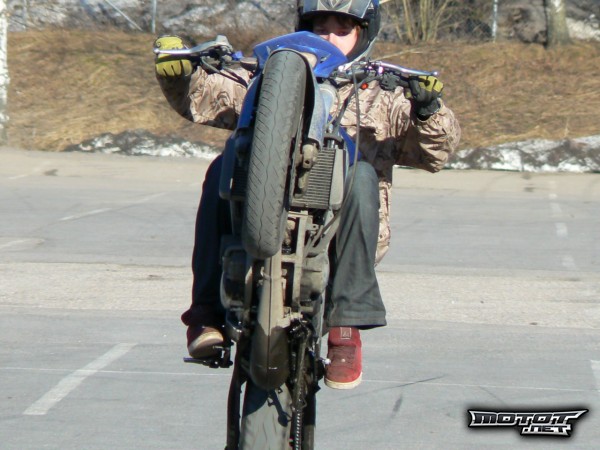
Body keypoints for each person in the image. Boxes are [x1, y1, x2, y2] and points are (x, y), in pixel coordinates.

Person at [154, 0, 460, 390]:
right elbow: (207, 95)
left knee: (362, 175)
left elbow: (437, 152)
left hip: (339, 232)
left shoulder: (384, 93)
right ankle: (205, 315)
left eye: (342, 29)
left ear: (363, 34)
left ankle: (346, 328)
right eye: (320, 28)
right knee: (221, 166)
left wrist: (427, 111)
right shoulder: (269, 75)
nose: (329, 37)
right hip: (258, 214)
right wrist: (180, 74)